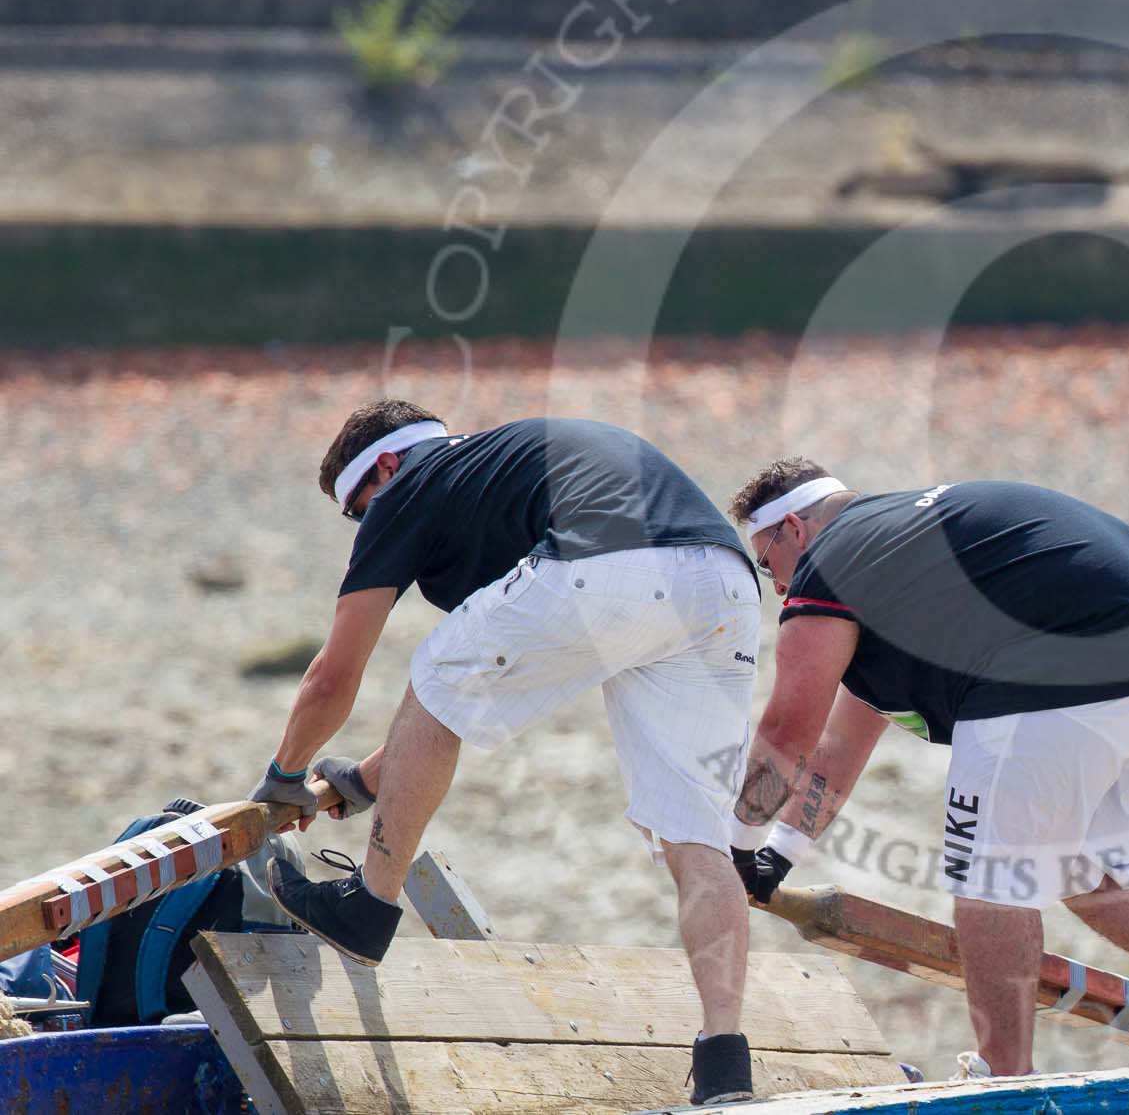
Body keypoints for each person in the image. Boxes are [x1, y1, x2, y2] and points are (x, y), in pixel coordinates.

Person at [250, 401, 761, 1105]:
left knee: (435, 668)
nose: (364, 529)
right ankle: (726, 1064)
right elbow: (500, 682)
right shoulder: (496, 473)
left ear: (388, 468)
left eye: (358, 511)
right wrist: (366, 777)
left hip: (613, 564)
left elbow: (335, 676)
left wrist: (281, 776)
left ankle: (368, 905)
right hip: (726, 581)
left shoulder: (412, 488)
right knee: (695, 836)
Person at [724, 461, 1129, 1076]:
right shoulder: (895, 556)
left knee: (985, 878)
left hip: (1063, 672)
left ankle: (1004, 1075)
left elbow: (787, 732)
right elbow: (835, 749)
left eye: (768, 566)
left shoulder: (833, 559)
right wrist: (776, 855)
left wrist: (732, 846)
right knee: (1081, 858)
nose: (780, 591)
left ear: (795, 529)